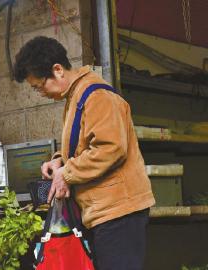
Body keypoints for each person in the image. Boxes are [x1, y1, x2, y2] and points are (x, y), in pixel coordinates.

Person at [13, 36, 155, 270]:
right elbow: (84, 143)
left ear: (57, 70)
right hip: (102, 212)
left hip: (118, 212)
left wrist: (67, 173)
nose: (41, 93)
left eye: (39, 86)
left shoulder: (97, 96)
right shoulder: (76, 96)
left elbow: (110, 148)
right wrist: (59, 161)